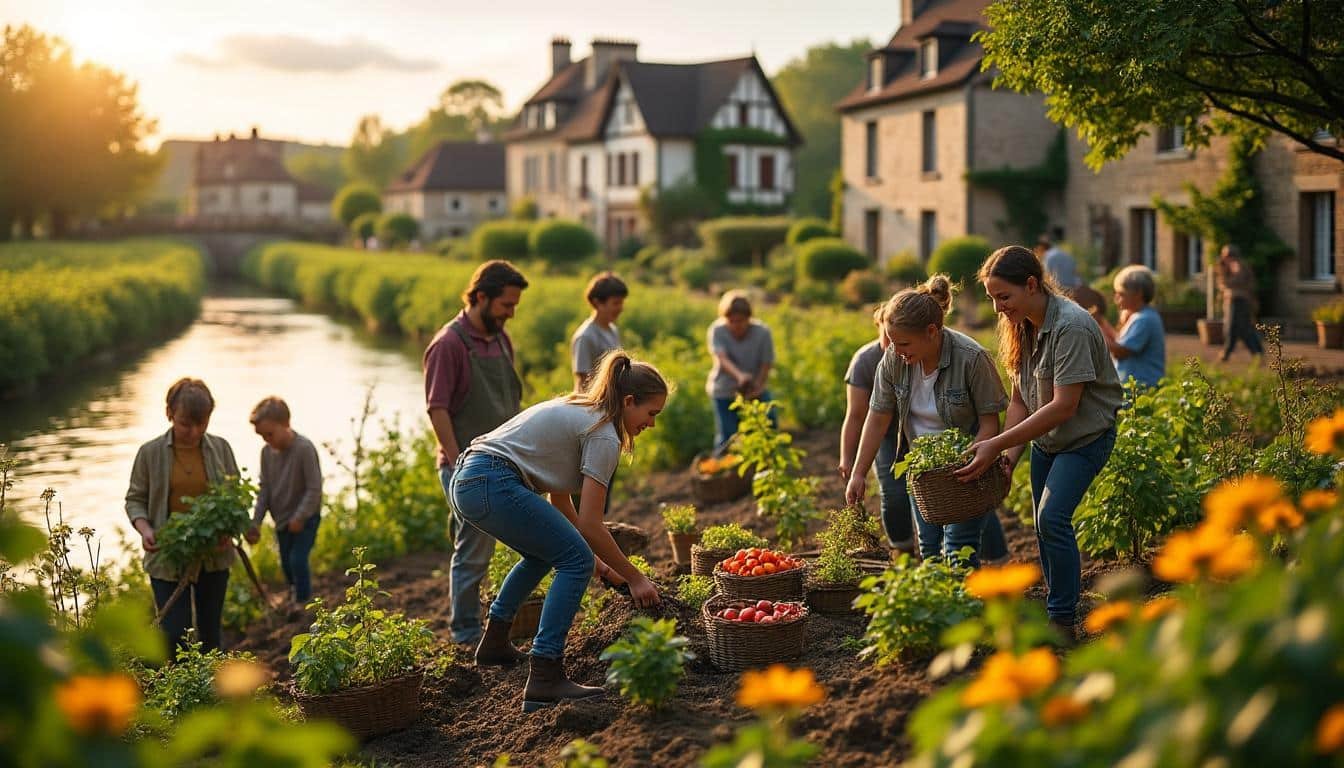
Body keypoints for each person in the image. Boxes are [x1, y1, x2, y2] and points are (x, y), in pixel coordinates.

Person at [451, 350, 665, 712]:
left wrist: (604, 568)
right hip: (491, 480)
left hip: (471, 479)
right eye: (651, 414)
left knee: (547, 553)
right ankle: (546, 676)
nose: (652, 424)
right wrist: (634, 578)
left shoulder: (581, 412)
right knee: (573, 560)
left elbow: (562, 507)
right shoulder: (604, 436)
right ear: (629, 402)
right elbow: (590, 524)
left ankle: (495, 642)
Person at [958, 245, 1123, 641]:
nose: (998, 308)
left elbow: (1064, 407)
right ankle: (1057, 606)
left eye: (1004, 297)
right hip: (1046, 441)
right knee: (1042, 525)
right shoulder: (1021, 325)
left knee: (1052, 518)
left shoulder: (1072, 326)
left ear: (1031, 285)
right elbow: (1020, 399)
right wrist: (1010, 456)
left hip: (1084, 437)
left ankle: (1063, 621)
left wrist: (995, 444)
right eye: (992, 298)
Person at [844, 276, 1010, 568]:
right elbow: (878, 416)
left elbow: (989, 422)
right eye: (892, 342)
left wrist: (975, 459)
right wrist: (859, 473)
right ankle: (940, 610)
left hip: (965, 469)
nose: (896, 351)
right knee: (930, 549)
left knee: (959, 549)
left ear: (932, 332)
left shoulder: (971, 358)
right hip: (921, 470)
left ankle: (963, 607)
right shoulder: (894, 359)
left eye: (904, 343)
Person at [424, 260, 528, 646]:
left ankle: (491, 619)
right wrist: (457, 464)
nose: (510, 314)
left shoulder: (501, 338)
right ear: (481, 297)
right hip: (466, 466)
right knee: (472, 549)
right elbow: (438, 409)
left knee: (477, 542)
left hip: (505, 461)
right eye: (505, 305)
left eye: (514, 306)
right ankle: (465, 632)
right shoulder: (448, 344)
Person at [125, 377, 240, 655]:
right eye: (186, 423)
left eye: (202, 424)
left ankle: (213, 692)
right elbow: (135, 500)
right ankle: (183, 691)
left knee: (210, 632)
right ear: (169, 414)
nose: (194, 431)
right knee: (175, 633)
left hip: (212, 556)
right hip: (168, 555)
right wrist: (146, 530)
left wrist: (228, 530)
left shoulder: (221, 448)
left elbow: (235, 500)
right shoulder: (149, 453)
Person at [838, 304, 915, 553]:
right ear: (880, 326)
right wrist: (848, 460)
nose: (894, 347)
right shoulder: (865, 361)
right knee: (893, 494)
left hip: (921, 428)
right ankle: (902, 550)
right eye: (887, 338)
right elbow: (856, 415)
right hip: (885, 434)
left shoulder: (917, 350)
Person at [244, 396, 323, 605]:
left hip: (305, 518)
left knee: (297, 559)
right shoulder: (266, 453)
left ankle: (304, 601)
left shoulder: (304, 449)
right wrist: (256, 522)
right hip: (282, 519)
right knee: (286, 562)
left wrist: (300, 517)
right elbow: (265, 490)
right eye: (262, 436)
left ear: (286, 424)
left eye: (269, 434)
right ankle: (293, 591)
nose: (266, 440)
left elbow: (314, 489)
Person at [706, 290, 776, 450]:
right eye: (731, 321)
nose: (736, 325)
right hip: (724, 390)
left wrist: (757, 386)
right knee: (728, 437)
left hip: (756, 388)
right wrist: (740, 376)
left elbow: (766, 363)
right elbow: (721, 358)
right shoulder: (717, 330)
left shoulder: (762, 333)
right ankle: (725, 471)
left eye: (740, 321)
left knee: (768, 428)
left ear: (748, 318)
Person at [1090, 265, 1166, 388]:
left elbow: (1121, 351)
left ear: (1138, 294)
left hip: (1143, 388)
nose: (1116, 298)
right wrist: (1102, 323)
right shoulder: (1139, 315)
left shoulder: (1144, 319)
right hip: (1136, 387)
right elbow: (1119, 340)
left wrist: (1094, 329)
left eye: (1121, 294)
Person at [571, 272, 627, 391]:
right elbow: (583, 381)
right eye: (616, 303)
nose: (620, 308)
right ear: (597, 303)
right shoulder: (585, 336)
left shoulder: (612, 330)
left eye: (622, 303)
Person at [1216, 244, 1264, 361]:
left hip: (1239, 300)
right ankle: (1257, 352)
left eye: (1226, 256)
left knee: (1234, 327)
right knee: (1242, 328)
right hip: (1233, 300)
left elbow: (1232, 282)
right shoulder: (1228, 267)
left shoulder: (1238, 265)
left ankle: (1228, 352)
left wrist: (1225, 282)